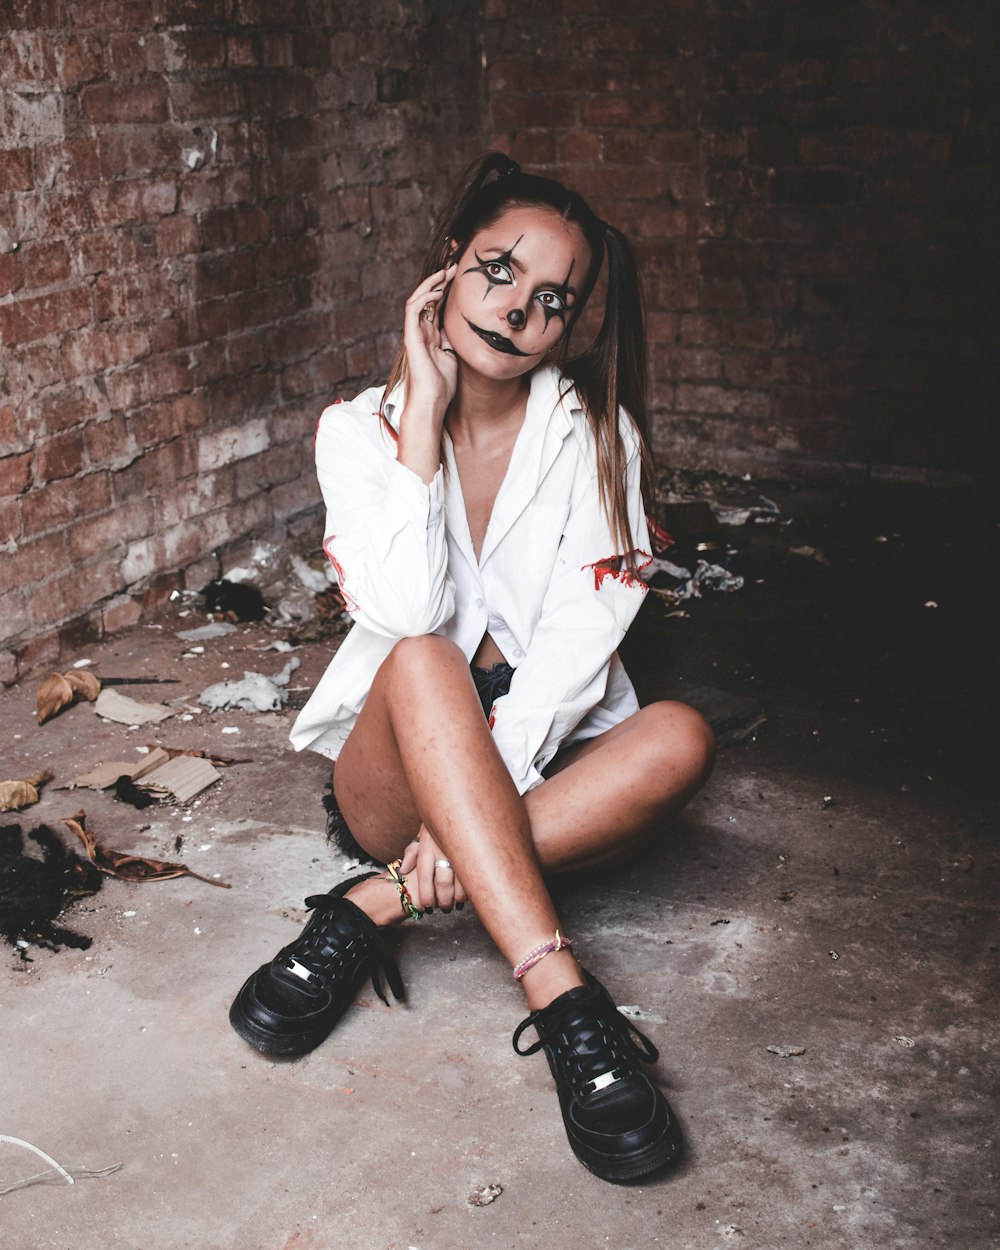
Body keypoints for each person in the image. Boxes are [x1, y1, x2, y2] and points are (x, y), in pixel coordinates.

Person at [229, 152, 715, 1183]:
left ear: (571, 324)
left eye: (552, 300)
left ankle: (373, 906)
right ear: (447, 264)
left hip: (545, 740)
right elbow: (406, 612)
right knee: (421, 654)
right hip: (394, 762)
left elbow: (589, 636)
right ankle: (564, 999)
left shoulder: (597, 436)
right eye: (497, 269)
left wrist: (487, 788)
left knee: (681, 735)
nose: (516, 312)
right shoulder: (356, 434)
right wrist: (420, 422)